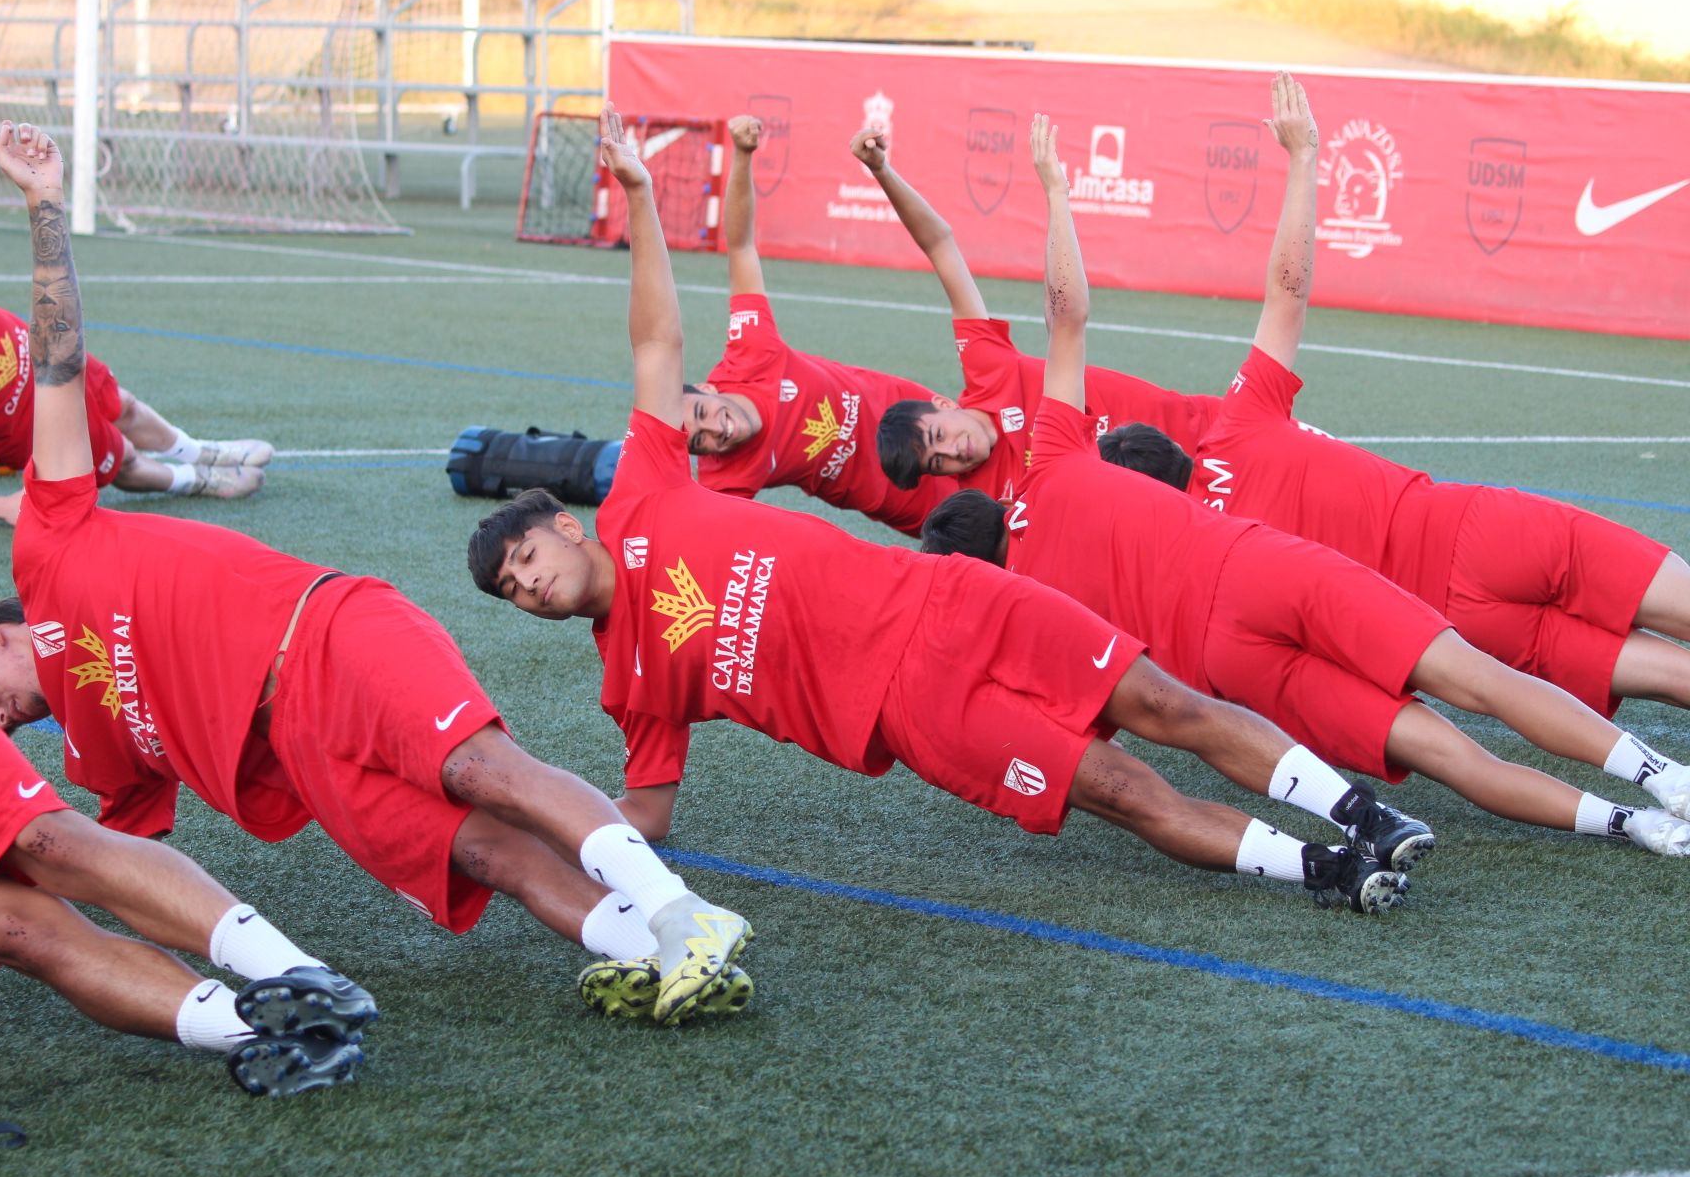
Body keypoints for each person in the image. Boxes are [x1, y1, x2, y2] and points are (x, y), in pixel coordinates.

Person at [470, 104, 1417, 915]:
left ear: (564, 525)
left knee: (1164, 700)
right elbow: (647, 814)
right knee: (1123, 790)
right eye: (515, 593)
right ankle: (1325, 870)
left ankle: (1358, 812)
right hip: (913, 709)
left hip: (946, 594)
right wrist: (534, 816)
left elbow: (656, 339)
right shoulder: (628, 681)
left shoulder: (648, 487)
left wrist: (640, 195)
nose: (531, 587)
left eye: (524, 561)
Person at [0, 121, 750, 1026]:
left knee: (481, 768)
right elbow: (120, 876)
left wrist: (43, 204)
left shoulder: (49, 546)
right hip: (306, 755)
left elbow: (55, 361)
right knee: (484, 856)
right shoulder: (98, 756)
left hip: (325, 637)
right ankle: (651, 953)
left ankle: (687, 916)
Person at [920, 74, 1689, 858]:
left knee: (1471, 745)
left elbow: (1116, 711)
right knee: (1524, 672)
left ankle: (1639, 824)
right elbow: (1234, 298)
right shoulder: (1186, 438)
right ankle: (1662, 775)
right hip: (1431, 539)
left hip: (1250, 659)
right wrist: (1065, 186)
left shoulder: (1034, 599)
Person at [0, 511, 375, 1097]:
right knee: (16, 932)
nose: (1, 718)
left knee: (45, 841)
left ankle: (303, 976)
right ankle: (280, 1039)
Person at [0, 54, 271, 527]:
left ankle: (199, 450)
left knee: (123, 403)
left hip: (56, 365)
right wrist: (1, 507)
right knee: (121, 458)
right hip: (42, 428)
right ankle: (194, 480)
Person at [849, 123, 1220, 505]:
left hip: (1208, 430)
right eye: (938, 463)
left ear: (944, 404)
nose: (954, 453)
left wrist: (882, 171)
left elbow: (940, 246)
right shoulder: (988, 502)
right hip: (1185, 507)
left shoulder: (987, 369)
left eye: (939, 437)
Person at [678, 114, 957, 536]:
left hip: (929, 421)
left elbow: (740, 249)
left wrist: (742, 154)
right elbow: (707, 538)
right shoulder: (724, 477)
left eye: (703, 412)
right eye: (701, 441)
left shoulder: (750, 354)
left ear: (710, 389)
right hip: (910, 500)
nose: (717, 429)